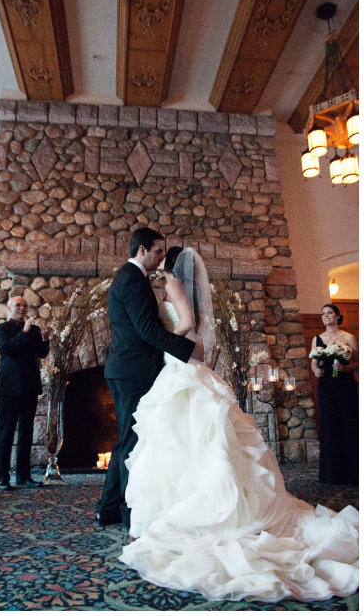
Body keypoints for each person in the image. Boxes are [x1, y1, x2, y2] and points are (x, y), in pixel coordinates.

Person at [120, 247, 360, 602]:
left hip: (178, 366)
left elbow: (186, 324)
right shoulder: (183, 286)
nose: (156, 264)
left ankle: (186, 513)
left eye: (160, 258)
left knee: (185, 440)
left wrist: (161, 336)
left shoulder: (172, 285)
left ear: (168, 265)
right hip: (185, 366)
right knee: (193, 441)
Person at [96, 229, 199, 529]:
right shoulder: (132, 279)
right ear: (142, 250)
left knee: (128, 438)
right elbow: (147, 332)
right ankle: (128, 512)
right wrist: (191, 349)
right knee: (132, 440)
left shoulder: (130, 277)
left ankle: (109, 508)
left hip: (128, 368)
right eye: (158, 251)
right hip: (132, 370)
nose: (161, 257)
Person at [0, 296, 49, 490]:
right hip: (9, 389)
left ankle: (24, 476)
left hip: (29, 387)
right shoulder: (2, 329)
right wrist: (24, 333)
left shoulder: (34, 330)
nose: (22, 308)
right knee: (5, 433)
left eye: (25, 305)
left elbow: (41, 353)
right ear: (9, 308)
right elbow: (8, 350)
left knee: (27, 434)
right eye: (18, 305)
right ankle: (1, 477)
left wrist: (46, 338)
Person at [312, 303, 359, 485]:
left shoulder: (348, 337)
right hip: (326, 386)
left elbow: (359, 363)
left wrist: (345, 368)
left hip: (345, 385)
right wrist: (316, 370)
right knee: (329, 424)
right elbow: (314, 362)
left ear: (337, 317)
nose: (325, 315)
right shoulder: (317, 339)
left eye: (329, 312)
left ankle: (353, 473)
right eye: (323, 313)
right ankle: (330, 473)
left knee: (348, 423)